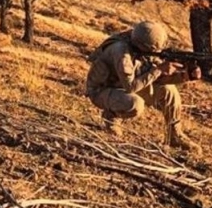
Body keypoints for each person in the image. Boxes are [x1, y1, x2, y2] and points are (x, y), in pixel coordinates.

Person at [85, 21, 201, 153]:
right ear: (146, 47)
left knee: (170, 92)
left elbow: (157, 79)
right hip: (102, 90)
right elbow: (131, 87)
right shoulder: (121, 52)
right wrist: (158, 70)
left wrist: (186, 75)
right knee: (135, 104)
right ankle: (111, 116)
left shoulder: (141, 47)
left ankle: (174, 135)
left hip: (123, 85)